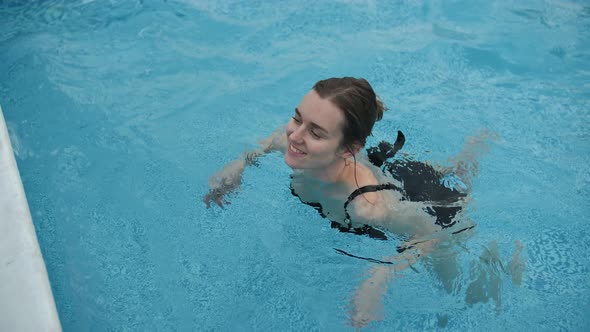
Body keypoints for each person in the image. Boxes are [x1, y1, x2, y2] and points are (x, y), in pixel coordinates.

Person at [203, 77, 510, 327]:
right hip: (382, 168)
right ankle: (463, 159)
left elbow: (433, 232)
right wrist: (239, 165)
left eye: (315, 132)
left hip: (426, 202)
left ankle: (475, 152)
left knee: (462, 289)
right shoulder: (292, 141)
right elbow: (268, 142)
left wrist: (380, 277)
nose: (295, 136)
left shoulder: (368, 207)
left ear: (347, 149)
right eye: (297, 118)